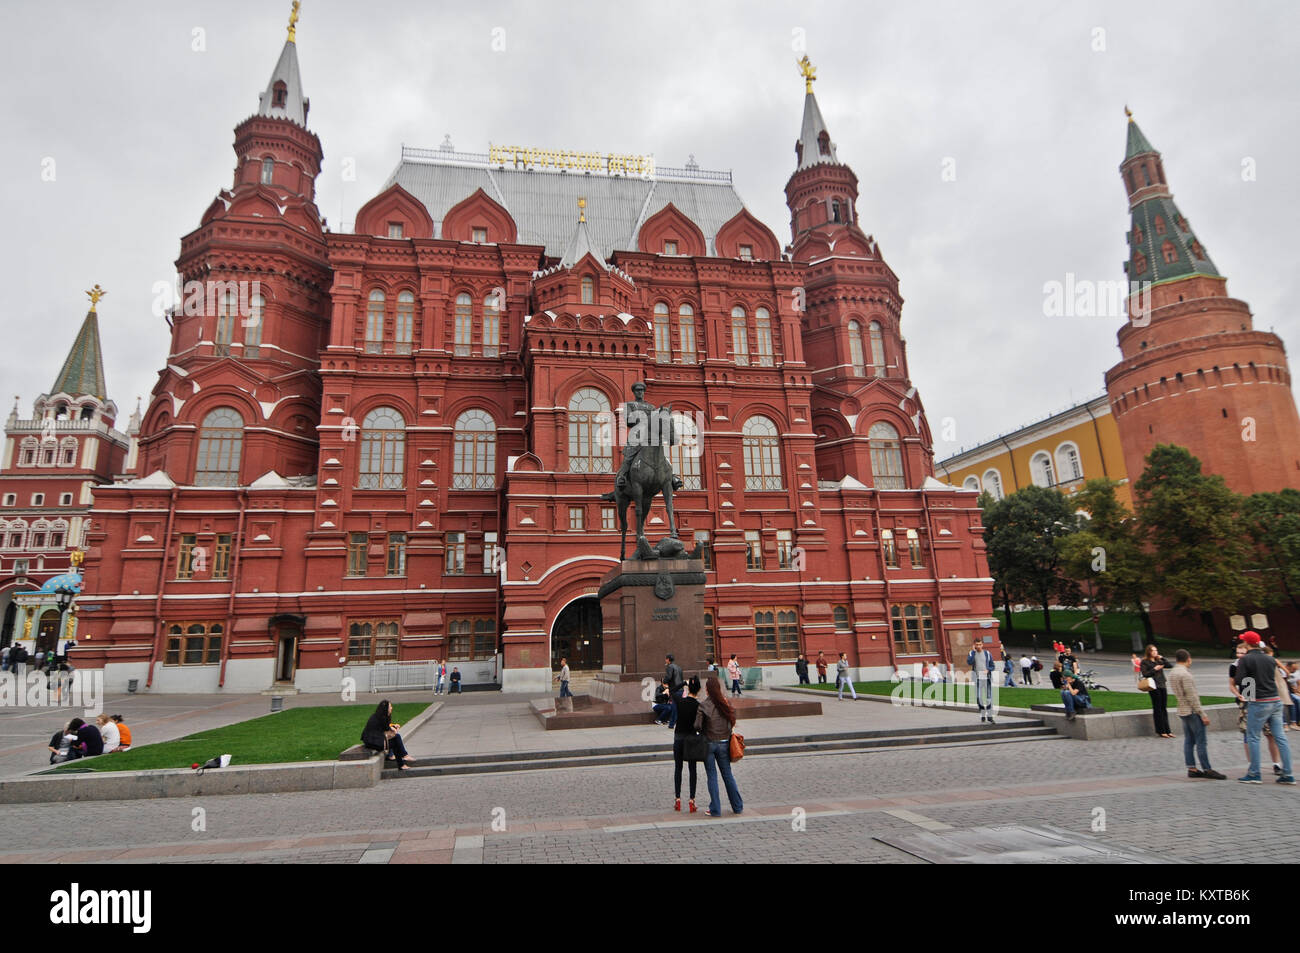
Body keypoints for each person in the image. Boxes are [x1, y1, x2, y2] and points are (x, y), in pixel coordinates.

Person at [1234, 631, 1295, 784]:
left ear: (1247, 644)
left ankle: (1254, 773)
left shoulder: (1246, 659)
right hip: (1275, 700)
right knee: (1280, 737)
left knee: (1253, 736)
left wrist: (1248, 695)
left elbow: (1240, 679)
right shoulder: (1270, 658)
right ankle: (1288, 774)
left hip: (1259, 701)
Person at [1167, 650, 1225, 780]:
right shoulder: (1185, 674)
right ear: (1188, 659)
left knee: (1189, 740)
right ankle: (1207, 768)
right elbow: (1192, 696)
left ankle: (1191, 768)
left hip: (1182, 710)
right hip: (1192, 711)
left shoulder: (1173, 672)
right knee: (1201, 741)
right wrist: (1202, 714)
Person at [1230, 640, 1283, 775]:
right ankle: (1252, 765)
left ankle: (1276, 764)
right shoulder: (1235, 665)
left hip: (1260, 699)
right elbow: (1232, 684)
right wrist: (1239, 695)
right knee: (1249, 735)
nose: (1240, 655)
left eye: (1242, 652)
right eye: (1238, 653)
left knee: (1270, 734)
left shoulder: (1253, 661)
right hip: (1249, 700)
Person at [695, 675, 743, 817]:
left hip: (709, 743)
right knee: (727, 775)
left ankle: (715, 809)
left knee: (712, 776)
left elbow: (697, 725)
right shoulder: (726, 703)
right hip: (724, 743)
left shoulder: (703, 705)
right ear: (719, 688)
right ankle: (737, 806)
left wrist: (704, 730)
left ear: (707, 690)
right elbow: (732, 720)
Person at [672, 676, 703, 812]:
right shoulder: (698, 706)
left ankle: (678, 799)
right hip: (691, 739)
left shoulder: (680, 701)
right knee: (692, 770)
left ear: (688, 688)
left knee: (678, 768)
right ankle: (692, 800)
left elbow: (672, 690)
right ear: (699, 690)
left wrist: (682, 683)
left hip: (678, 738)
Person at [361, 699, 414, 770]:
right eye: (390, 707)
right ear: (386, 709)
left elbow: (386, 729)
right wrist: (395, 729)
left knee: (395, 739)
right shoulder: (381, 718)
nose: (392, 708)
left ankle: (397, 758)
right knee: (396, 739)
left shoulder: (378, 716)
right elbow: (390, 733)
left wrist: (393, 727)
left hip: (373, 740)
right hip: (373, 742)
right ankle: (402, 759)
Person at [1139, 644, 1173, 738]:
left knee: (1164, 707)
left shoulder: (1159, 660)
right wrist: (1154, 669)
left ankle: (1168, 730)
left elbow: (1170, 665)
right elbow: (1145, 674)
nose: (1155, 652)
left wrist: (1162, 658)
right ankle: (1161, 731)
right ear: (1149, 652)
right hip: (1153, 686)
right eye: (1153, 651)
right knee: (1157, 708)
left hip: (1162, 684)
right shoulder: (1145, 662)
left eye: (1156, 650)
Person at [967, 641, 994, 723]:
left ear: (982, 645)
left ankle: (989, 716)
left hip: (986, 678)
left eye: (980, 644)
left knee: (989, 698)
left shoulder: (987, 653)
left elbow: (992, 665)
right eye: (977, 645)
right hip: (977, 678)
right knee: (979, 697)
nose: (978, 646)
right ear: (974, 645)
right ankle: (982, 714)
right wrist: (974, 652)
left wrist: (988, 670)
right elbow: (969, 662)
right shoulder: (972, 653)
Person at [664, 654, 684, 728]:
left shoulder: (669, 667)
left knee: (674, 707)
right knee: (679, 707)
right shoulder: (679, 667)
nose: (665, 660)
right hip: (680, 689)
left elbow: (668, 677)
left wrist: (664, 681)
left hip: (674, 689)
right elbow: (681, 678)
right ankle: (679, 723)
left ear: (668, 660)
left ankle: (672, 723)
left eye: (666, 659)